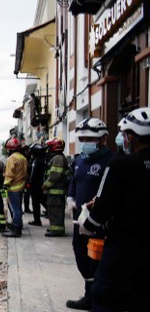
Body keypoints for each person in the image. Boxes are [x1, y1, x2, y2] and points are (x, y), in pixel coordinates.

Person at [81, 108, 150, 312]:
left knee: (104, 297)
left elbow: (103, 204)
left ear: (131, 136)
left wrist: (88, 224)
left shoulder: (120, 165)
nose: (122, 139)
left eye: (124, 134)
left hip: (124, 245)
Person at [65, 118, 115, 310]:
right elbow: (74, 183)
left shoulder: (110, 162)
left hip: (99, 222)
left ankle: (96, 298)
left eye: (89, 139)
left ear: (102, 140)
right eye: (83, 139)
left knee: (97, 259)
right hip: (80, 221)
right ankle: (89, 293)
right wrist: (70, 199)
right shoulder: (79, 160)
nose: (85, 143)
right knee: (81, 256)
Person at [42, 137, 69, 237]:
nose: (47, 149)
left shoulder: (58, 159)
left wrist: (45, 185)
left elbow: (54, 176)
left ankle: (57, 230)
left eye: (49, 147)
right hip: (54, 191)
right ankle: (54, 227)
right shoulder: (57, 157)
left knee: (56, 211)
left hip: (56, 191)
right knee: (53, 210)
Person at [2, 138, 28, 238]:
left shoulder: (11, 158)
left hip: (13, 188)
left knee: (15, 209)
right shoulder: (23, 158)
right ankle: (16, 226)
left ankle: (16, 229)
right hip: (20, 186)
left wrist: (5, 185)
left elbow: (9, 174)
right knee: (18, 208)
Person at [28, 143, 47, 226]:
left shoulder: (38, 160)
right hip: (38, 184)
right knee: (39, 201)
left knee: (37, 202)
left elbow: (35, 174)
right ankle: (38, 219)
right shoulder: (39, 159)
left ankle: (37, 220)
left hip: (37, 185)